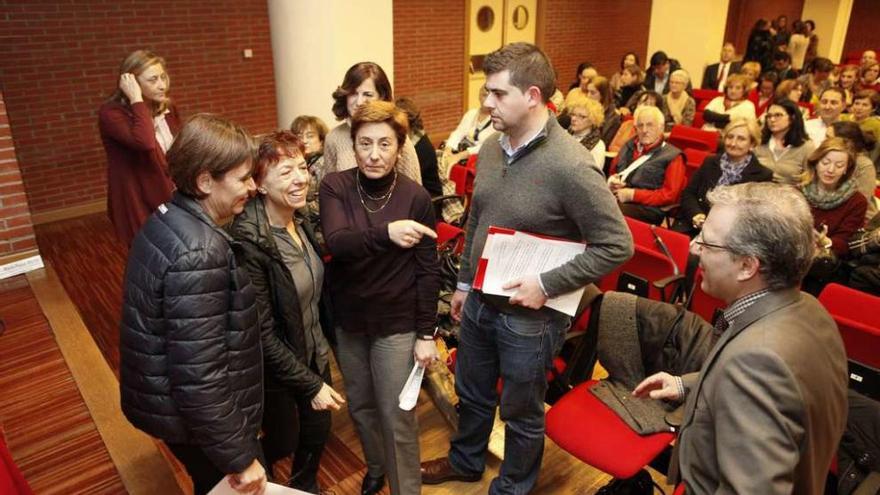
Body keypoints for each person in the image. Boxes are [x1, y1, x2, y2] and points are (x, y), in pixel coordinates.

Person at [419, 42, 633, 494]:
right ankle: (466, 461)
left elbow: (617, 245)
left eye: (497, 94)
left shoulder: (572, 165)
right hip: (480, 298)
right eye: (486, 93)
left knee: (520, 411)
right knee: (473, 392)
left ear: (533, 96)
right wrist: (462, 281)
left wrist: (546, 284)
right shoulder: (494, 147)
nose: (486, 104)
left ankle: (513, 488)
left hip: (532, 318)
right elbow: (479, 215)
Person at [634, 181, 848, 494]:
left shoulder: (757, 362)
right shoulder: (806, 307)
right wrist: (685, 384)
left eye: (707, 244)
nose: (694, 248)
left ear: (747, 266)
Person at [119, 114, 266, 495]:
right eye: (243, 178)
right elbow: (200, 377)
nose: (253, 187)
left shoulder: (169, 216)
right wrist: (240, 457)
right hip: (198, 423)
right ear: (204, 181)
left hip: (169, 408)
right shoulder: (200, 252)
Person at [320, 100, 441, 495]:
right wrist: (387, 233)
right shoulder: (335, 186)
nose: (374, 154)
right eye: (365, 143)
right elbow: (338, 242)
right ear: (352, 144)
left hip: (397, 322)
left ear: (399, 147)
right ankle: (376, 467)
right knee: (361, 406)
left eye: (385, 144)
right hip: (350, 319)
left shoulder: (416, 198)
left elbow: (427, 270)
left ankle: (406, 489)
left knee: (397, 414)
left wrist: (426, 333)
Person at [228, 131, 345, 494]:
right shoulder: (249, 241)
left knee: (318, 428)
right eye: (284, 172)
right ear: (260, 185)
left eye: (301, 167)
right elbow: (261, 333)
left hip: (309, 349)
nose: (298, 179)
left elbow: (317, 296)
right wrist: (311, 383)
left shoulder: (302, 218)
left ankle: (303, 487)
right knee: (282, 439)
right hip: (274, 366)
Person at [99, 50, 179, 246]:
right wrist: (136, 98)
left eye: (163, 77)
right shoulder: (111, 113)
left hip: (168, 191)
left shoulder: (166, 108)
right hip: (138, 198)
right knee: (152, 256)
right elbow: (145, 142)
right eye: (152, 80)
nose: (162, 85)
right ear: (131, 82)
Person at [323, 62, 421, 184]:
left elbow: (414, 193)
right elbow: (328, 188)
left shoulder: (395, 136)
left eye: (367, 95)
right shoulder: (333, 138)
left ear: (382, 98)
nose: (359, 102)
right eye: (353, 93)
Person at [673, 119, 773, 237]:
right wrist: (696, 214)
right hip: (694, 225)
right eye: (730, 137)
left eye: (741, 139)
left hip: (731, 235)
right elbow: (689, 193)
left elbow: (754, 216)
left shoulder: (762, 175)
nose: (733, 143)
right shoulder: (710, 162)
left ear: (752, 144)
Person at [800, 138, 868, 293]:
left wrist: (826, 241)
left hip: (825, 267)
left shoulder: (856, 201)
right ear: (816, 163)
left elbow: (846, 243)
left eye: (839, 165)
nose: (831, 170)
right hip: (793, 253)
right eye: (825, 163)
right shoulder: (798, 190)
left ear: (846, 169)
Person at [608, 106, 687, 225]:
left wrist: (633, 195)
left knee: (608, 211)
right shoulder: (629, 145)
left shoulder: (674, 156)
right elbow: (614, 172)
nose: (644, 130)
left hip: (649, 208)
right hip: (618, 198)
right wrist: (613, 182)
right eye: (640, 125)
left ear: (661, 128)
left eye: (650, 125)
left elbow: (669, 195)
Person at [754, 98, 816, 185]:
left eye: (778, 115)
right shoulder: (759, 142)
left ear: (792, 118)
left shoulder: (806, 147)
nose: (772, 120)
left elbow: (811, 179)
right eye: (769, 116)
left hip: (791, 195)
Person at [828, 120, 877, 220]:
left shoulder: (864, 165)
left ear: (845, 142)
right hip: (829, 213)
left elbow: (860, 204)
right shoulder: (825, 157)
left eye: (828, 138)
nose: (823, 141)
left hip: (859, 220)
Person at [395, 97, 443, 197]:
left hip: (429, 200)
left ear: (410, 123)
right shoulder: (411, 137)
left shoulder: (421, 148)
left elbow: (406, 181)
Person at [291, 115, 330, 219]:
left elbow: (324, 206)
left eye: (310, 136)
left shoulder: (324, 164)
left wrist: (291, 205)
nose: (304, 141)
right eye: (299, 136)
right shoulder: (304, 162)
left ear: (321, 141)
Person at [445, 85, 493, 162]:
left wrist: (460, 156)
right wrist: (448, 149)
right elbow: (458, 133)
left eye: (490, 96)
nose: (487, 99)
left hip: (482, 159)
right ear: (479, 97)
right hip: (462, 154)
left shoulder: (497, 119)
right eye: (484, 95)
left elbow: (486, 146)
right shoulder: (471, 113)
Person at [565, 90, 606, 168]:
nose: (574, 119)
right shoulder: (564, 134)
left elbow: (593, 175)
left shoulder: (598, 146)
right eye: (573, 114)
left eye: (581, 116)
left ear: (592, 120)